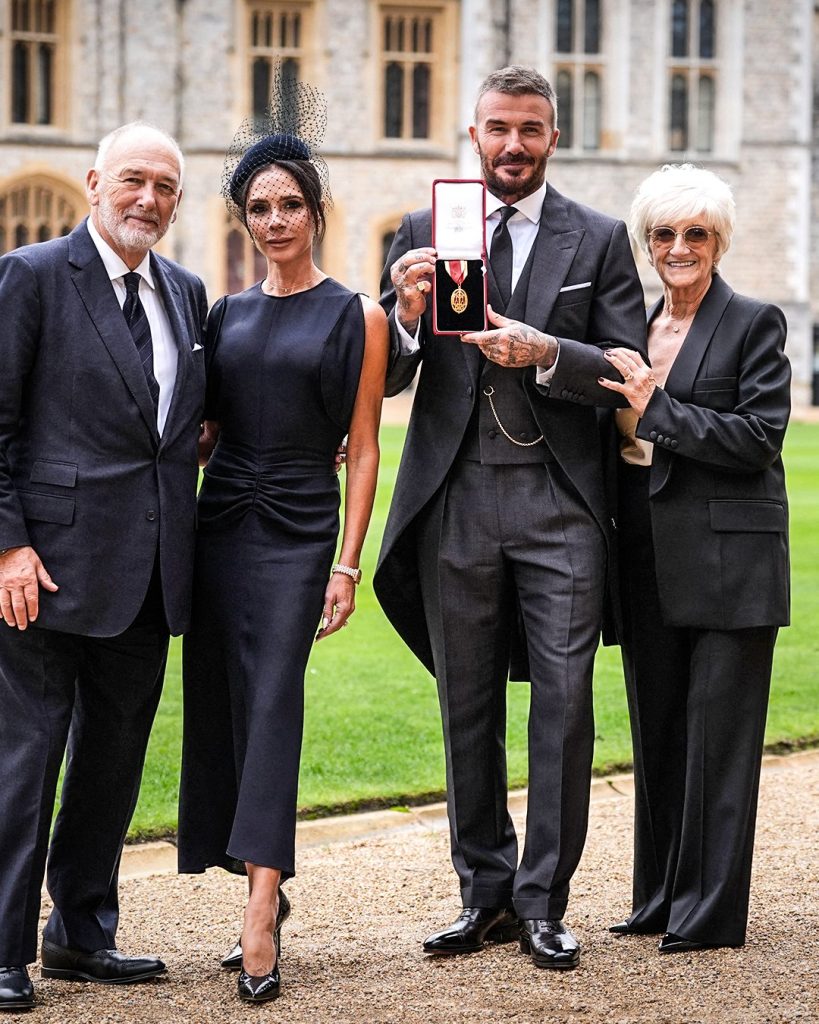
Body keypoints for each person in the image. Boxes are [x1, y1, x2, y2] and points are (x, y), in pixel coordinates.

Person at [373, 65, 646, 971]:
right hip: (455, 497)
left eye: (530, 130)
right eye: (497, 128)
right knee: (466, 707)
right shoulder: (423, 231)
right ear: (473, 134)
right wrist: (404, 317)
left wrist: (546, 352)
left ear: (552, 137)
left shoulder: (599, 238)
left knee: (564, 711)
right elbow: (393, 378)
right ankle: (481, 896)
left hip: (559, 504)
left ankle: (542, 902)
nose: (513, 145)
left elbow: (623, 366)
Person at [177, 79, 387, 1004]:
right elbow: (205, 433)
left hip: (301, 533)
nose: (273, 220)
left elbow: (367, 450)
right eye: (258, 207)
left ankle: (260, 913)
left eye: (288, 204)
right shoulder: (223, 315)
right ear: (244, 217)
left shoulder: (359, 316)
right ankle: (262, 879)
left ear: (315, 210)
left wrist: (348, 561)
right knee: (225, 704)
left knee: (275, 706)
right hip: (221, 524)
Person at [0, 122, 207, 1010]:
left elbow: (182, 428)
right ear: (94, 182)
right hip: (41, 570)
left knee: (111, 765)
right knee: (25, 761)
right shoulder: (36, 276)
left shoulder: (187, 292)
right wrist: (8, 543)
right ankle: (2, 948)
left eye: (165, 187)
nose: (147, 200)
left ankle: (82, 934)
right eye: (133, 181)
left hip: (149, 572)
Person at [600, 164, 790, 952]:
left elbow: (757, 438)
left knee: (716, 740)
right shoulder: (635, 326)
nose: (677, 248)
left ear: (717, 243)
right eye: (663, 235)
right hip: (643, 548)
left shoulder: (753, 321)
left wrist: (658, 409)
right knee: (658, 732)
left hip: (728, 559)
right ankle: (658, 899)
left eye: (694, 234)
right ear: (646, 244)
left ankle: (708, 913)